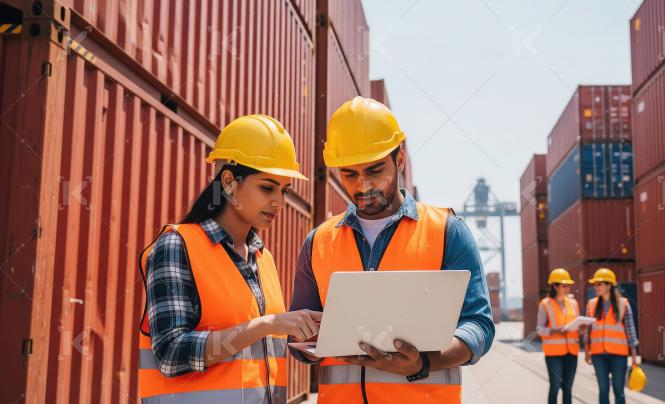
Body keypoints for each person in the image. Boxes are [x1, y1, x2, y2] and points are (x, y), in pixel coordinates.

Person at [289, 96, 495, 403]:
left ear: (399, 160)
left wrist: (424, 363)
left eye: (374, 170)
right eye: (349, 173)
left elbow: (478, 324)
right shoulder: (318, 241)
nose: (362, 185)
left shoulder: (447, 231)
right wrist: (305, 342)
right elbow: (299, 340)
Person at [137, 115, 322, 404]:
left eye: (284, 191)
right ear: (228, 182)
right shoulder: (177, 245)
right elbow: (170, 354)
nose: (279, 202)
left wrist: (308, 332)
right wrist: (267, 324)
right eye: (267, 187)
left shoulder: (263, 258)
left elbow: (260, 351)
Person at [584, 268, 639, 404]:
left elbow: (631, 331)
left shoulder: (623, 304)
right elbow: (587, 331)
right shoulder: (591, 304)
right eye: (595, 284)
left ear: (609, 285)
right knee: (603, 389)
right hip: (598, 354)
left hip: (618, 354)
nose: (595, 287)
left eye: (599, 284)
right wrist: (586, 351)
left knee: (618, 389)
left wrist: (634, 357)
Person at [537, 268, 581, 404]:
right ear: (555, 286)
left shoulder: (574, 303)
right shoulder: (545, 304)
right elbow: (539, 329)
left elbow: (576, 325)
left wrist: (582, 328)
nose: (568, 288)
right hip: (553, 354)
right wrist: (555, 331)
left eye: (569, 285)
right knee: (555, 387)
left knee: (568, 388)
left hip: (572, 352)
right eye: (564, 285)